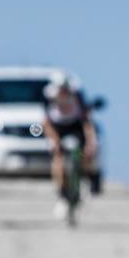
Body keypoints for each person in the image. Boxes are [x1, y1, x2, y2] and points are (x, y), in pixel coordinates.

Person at [42, 79, 99, 218]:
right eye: (60, 89)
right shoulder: (49, 100)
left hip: (76, 129)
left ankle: (87, 180)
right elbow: (46, 124)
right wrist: (55, 141)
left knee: (87, 155)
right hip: (58, 130)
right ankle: (62, 195)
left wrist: (90, 144)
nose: (63, 93)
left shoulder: (77, 99)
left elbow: (87, 123)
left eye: (65, 89)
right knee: (58, 161)